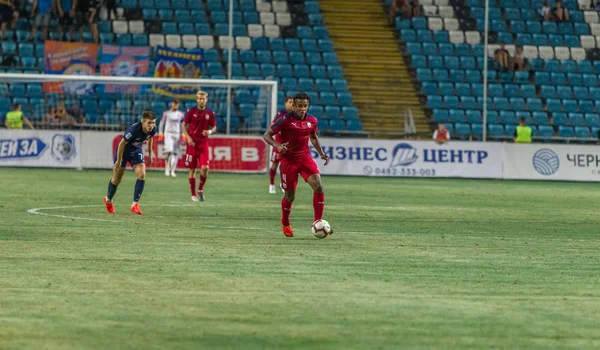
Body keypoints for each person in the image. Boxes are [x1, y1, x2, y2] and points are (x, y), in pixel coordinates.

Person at [263, 92, 331, 238]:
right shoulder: (284, 120)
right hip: (288, 161)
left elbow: (313, 137)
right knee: (290, 196)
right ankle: (285, 222)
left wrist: (321, 153)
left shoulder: (312, 120)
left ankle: (317, 221)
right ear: (293, 105)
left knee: (319, 186)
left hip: (305, 158)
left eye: (305, 106)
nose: (302, 109)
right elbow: (266, 135)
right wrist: (277, 145)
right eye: (299, 106)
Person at [104, 110, 156, 215]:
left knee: (142, 174)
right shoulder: (134, 130)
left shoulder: (152, 130)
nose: (151, 125)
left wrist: (150, 154)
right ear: (143, 122)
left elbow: (150, 139)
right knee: (117, 179)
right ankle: (108, 199)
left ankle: (135, 204)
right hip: (123, 152)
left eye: (153, 123)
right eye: (149, 123)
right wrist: (118, 161)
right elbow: (121, 144)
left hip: (136, 151)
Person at [182, 91, 216, 202]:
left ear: (206, 100)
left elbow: (214, 126)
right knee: (192, 168)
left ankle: (200, 190)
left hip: (203, 143)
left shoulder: (209, 113)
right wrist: (188, 137)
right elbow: (183, 124)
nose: (201, 100)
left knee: (205, 168)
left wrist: (210, 132)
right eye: (200, 99)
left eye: (203, 99)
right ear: (197, 100)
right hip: (192, 144)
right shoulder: (191, 112)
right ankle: (193, 194)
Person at [269, 96, 294, 194]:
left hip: (289, 145)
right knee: (275, 164)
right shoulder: (281, 113)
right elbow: (273, 126)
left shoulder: (294, 115)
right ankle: (271, 184)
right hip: (278, 144)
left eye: (293, 102)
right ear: (285, 103)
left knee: (286, 166)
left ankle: (283, 184)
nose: (292, 104)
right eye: (290, 102)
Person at [159, 100, 185, 177]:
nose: (175, 105)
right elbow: (161, 123)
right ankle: (167, 168)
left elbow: (183, 125)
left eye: (177, 104)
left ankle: (173, 171)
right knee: (169, 151)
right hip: (168, 133)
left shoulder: (181, 114)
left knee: (175, 153)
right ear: (172, 104)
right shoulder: (166, 113)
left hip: (176, 134)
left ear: (178, 105)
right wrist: (161, 133)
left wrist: (183, 135)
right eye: (174, 104)